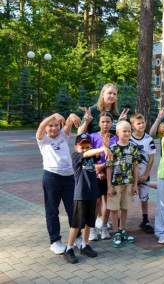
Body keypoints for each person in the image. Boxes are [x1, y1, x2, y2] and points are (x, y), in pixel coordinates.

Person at [36, 112, 82, 254]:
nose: (54, 128)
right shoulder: (43, 139)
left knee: (73, 210)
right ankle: (55, 241)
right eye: (50, 126)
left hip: (69, 178)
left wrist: (73, 115)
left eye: (56, 125)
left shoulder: (63, 135)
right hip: (52, 179)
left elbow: (68, 123)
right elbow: (40, 127)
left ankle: (77, 237)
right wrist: (54, 115)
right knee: (52, 211)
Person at [63, 133, 113, 264]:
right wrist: (102, 149)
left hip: (92, 194)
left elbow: (96, 155)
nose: (85, 149)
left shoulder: (91, 156)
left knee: (88, 223)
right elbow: (87, 155)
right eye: (82, 147)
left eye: (88, 147)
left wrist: (105, 146)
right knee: (76, 224)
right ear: (76, 147)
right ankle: (69, 248)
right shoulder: (76, 156)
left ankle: (84, 245)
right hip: (80, 195)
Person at [78, 110, 118, 241]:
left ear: (112, 123)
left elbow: (116, 159)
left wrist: (106, 171)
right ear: (99, 123)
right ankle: (93, 229)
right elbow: (89, 156)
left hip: (110, 177)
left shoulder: (115, 139)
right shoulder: (93, 137)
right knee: (96, 203)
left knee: (108, 202)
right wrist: (98, 170)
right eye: (103, 122)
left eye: (108, 122)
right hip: (96, 176)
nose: (105, 124)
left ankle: (104, 227)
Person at [106, 121, 141, 247]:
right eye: (124, 131)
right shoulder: (112, 149)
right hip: (115, 184)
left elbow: (136, 167)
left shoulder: (133, 147)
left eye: (129, 131)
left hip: (128, 183)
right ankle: (115, 232)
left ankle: (122, 229)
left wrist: (136, 184)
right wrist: (109, 186)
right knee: (114, 208)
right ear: (117, 133)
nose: (127, 133)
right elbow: (109, 168)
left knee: (125, 207)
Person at [129, 113, 157, 234]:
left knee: (144, 198)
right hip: (130, 177)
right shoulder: (129, 139)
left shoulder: (149, 139)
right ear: (132, 126)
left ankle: (145, 221)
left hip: (143, 175)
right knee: (127, 199)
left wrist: (145, 175)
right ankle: (121, 223)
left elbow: (151, 159)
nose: (141, 125)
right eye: (138, 123)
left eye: (143, 123)